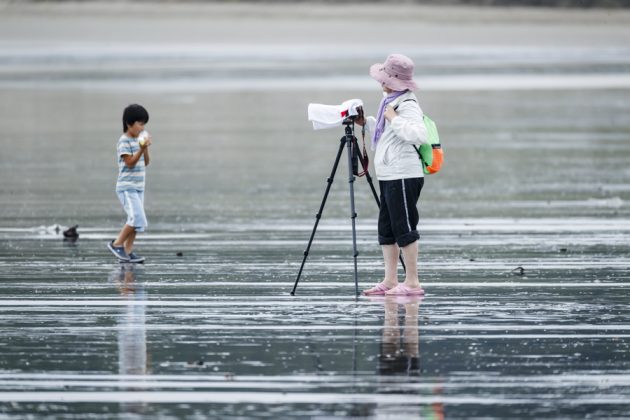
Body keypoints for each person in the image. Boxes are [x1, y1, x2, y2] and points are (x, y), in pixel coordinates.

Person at [355, 54, 428, 296]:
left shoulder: (407, 104)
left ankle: (413, 282)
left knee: (404, 226)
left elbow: (418, 134)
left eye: (385, 77)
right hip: (388, 173)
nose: (380, 81)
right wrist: (366, 123)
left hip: (404, 174)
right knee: (386, 228)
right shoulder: (390, 100)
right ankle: (390, 281)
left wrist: (394, 119)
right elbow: (387, 133)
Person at [107, 104, 152, 263]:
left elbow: (146, 162)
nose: (142, 127)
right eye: (140, 123)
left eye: (144, 124)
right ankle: (117, 244)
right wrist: (140, 149)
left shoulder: (137, 140)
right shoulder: (123, 142)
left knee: (137, 221)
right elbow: (130, 163)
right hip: (127, 188)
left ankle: (127, 251)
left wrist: (144, 148)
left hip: (139, 187)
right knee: (136, 217)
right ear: (129, 124)